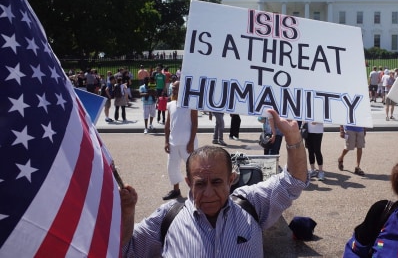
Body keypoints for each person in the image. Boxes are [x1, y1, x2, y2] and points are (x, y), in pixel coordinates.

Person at [119, 109, 309, 257]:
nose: (208, 193)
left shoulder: (252, 205)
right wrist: (127, 212)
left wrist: (293, 138)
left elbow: (293, 182)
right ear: (188, 182)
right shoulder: (166, 218)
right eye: (200, 184)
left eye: (217, 182)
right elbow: (126, 250)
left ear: (231, 179)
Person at [162, 81, 198, 201]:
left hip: (187, 142)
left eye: (176, 88)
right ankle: (176, 190)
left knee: (192, 168)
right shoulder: (170, 104)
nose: (174, 90)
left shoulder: (191, 103)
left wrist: (191, 141)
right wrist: (166, 141)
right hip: (173, 142)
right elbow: (167, 124)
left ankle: (194, 191)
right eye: (173, 88)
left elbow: (195, 123)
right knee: (172, 167)